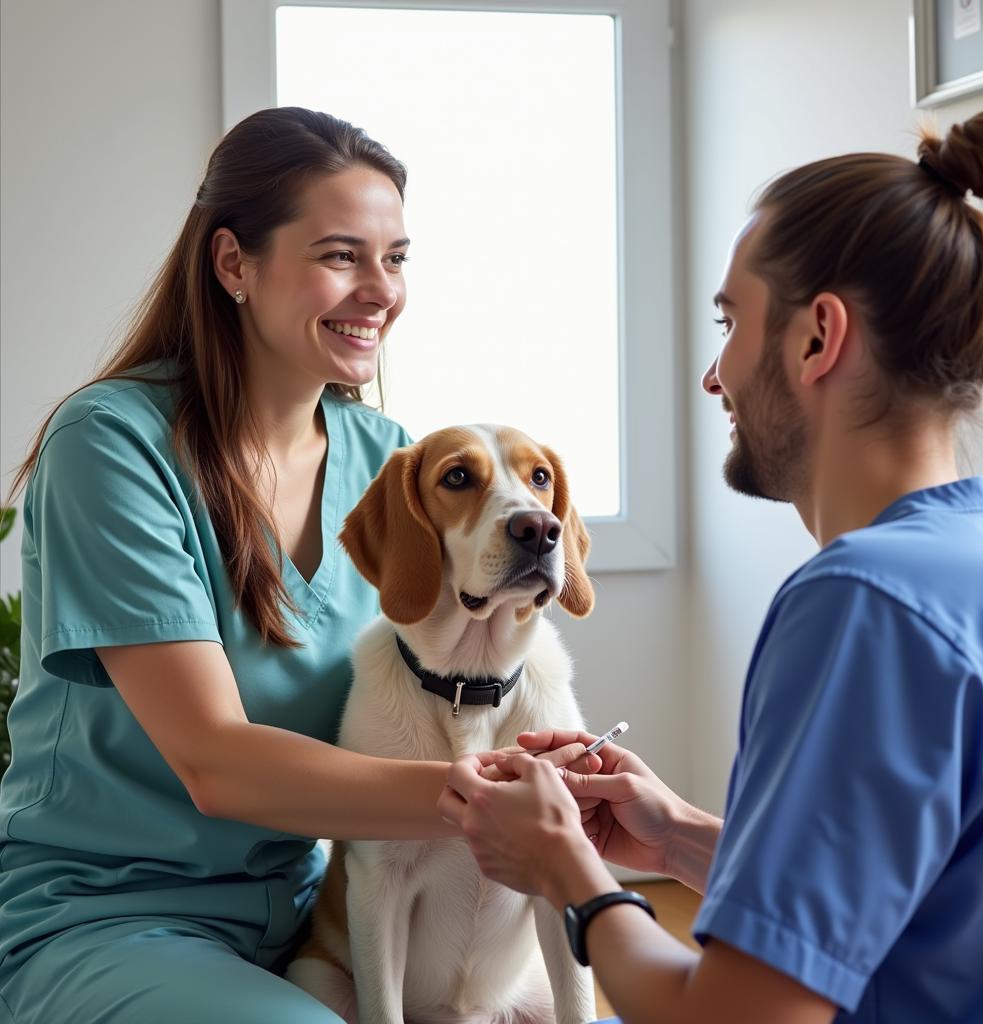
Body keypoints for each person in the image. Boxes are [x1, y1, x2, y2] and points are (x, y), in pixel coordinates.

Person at [0, 106, 591, 1024]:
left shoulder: (384, 459)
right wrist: (480, 802)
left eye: (395, 258)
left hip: (306, 914)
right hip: (112, 919)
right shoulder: (112, 446)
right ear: (234, 263)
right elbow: (217, 763)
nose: (379, 290)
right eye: (340, 255)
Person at [440, 106, 983, 1023]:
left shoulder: (862, 604)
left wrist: (570, 875)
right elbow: (924, 912)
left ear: (816, 339)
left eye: (730, 322)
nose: (715, 376)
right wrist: (679, 841)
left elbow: (740, 1018)